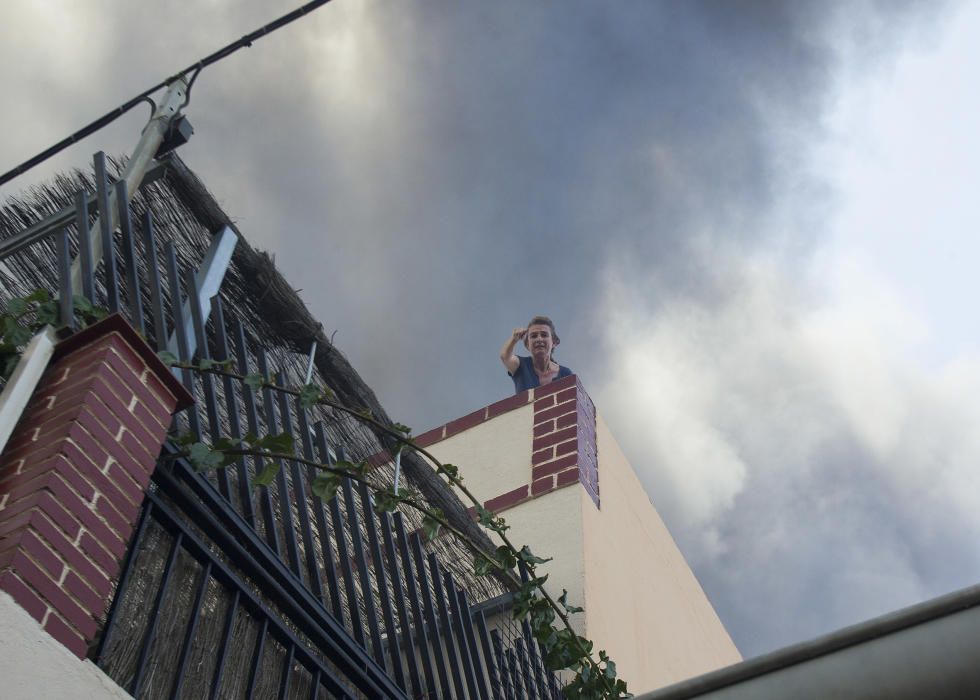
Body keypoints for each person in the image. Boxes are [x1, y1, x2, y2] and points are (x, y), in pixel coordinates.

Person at [500, 316, 573, 393]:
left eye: (544, 335)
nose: (539, 339)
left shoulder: (566, 374)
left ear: (554, 342)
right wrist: (513, 339)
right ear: (528, 345)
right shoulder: (520, 365)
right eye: (534, 336)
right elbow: (505, 357)